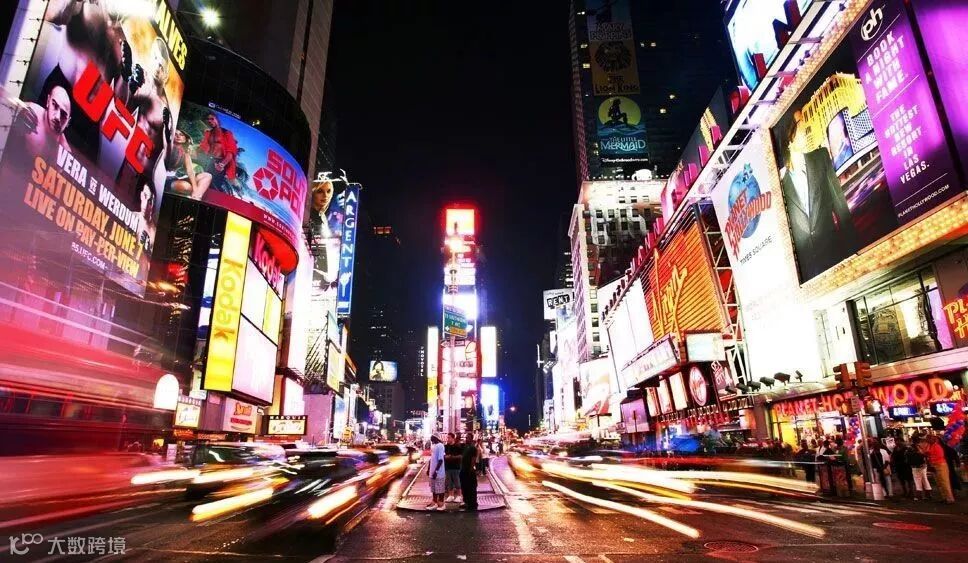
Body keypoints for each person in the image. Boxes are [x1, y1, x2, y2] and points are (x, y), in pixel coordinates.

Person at [11, 86, 72, 162]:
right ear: (48, 101)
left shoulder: (65, 154)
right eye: (54, 105)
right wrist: (16, 115)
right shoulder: (28, 110)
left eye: (63, 114)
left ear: (68, 121)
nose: (57, 117)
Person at [199, 112, 240, 193]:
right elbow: (204, 147)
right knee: (204, 184)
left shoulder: (226, 133)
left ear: (217, 120)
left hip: (220, 162)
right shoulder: (208, 133)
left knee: (214, 187)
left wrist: (222, 164)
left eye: (212, 119)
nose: (210, 121)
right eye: (208, 120)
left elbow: (231, 152)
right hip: (209, 161)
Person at [165, 130, 212, 200]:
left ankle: (196, 198)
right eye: (175, 134)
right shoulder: (167, 146)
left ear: (185, 139)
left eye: (181, 134)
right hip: (164, 179)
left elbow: (190, 171)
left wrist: (195, 188)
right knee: (186, 187)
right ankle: (195, 195)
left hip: (174, 178)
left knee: (207, 176)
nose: (178, 136)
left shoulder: (185, 153)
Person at [925, 434, 955, 503]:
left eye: (928, 439)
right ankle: (944, 497)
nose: (927, 440)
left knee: (944, 482)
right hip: (935, 465)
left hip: (940, 465)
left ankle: (949, 499)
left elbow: (940, 456)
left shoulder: (937, 446)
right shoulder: (931, 446)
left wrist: (930, 457)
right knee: (939, 483)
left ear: (932, 439)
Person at [459, 432, 479, 511]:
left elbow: (473, 459)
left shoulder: (473, 448)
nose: (466, 439)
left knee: (471, 488)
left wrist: (471, 469)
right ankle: (466, 502)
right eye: (466, 438)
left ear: (471, 438)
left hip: (469, 471)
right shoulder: (465, 447)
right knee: (464, 487)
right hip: (463, 469)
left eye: (468, 438)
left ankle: (472, 503)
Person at [426, 435, 446, 511]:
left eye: (432, 437)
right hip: (432, 471)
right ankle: (434, 502)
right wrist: (429, 469)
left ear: (436, 438)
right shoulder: (434, 446)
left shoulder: (440, 446)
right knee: (434, 489)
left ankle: (442, 504)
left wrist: (436, 471)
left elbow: (440, 460)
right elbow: (432, 459)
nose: (431, 439)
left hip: (439, 472)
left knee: (440, 489)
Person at [443, 433, 462, 503]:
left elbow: (461, 456)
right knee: (449, 482)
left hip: (456, 467)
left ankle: (459, 496)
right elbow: (444, 455)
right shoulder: (446, 446)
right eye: (447, 437)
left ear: (453, 438)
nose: (447, 439)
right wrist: (445, 457)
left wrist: (452, 457)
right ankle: (451, 495)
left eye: (449, 438)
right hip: (448, 467)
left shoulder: (457, 446)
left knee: (457, 481)